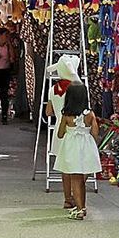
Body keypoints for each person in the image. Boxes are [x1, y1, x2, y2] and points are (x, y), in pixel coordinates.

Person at [53, 81, 101, 221]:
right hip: (86, 147)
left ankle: (79, 209)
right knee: (81, 180)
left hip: (71, 148)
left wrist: (69, 129)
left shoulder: (66, 115)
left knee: (75, 179)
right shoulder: (90, 114)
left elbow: (60, 134)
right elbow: (95, 133)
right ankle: (83, 206)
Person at [45, 54, 81, 209]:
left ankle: (67, 198)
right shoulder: (77, 88)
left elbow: (48, 112)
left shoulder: (54, 88)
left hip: (59, 129)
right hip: (75, 130)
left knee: (65, 168)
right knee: (78, 166)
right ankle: (77, 196)